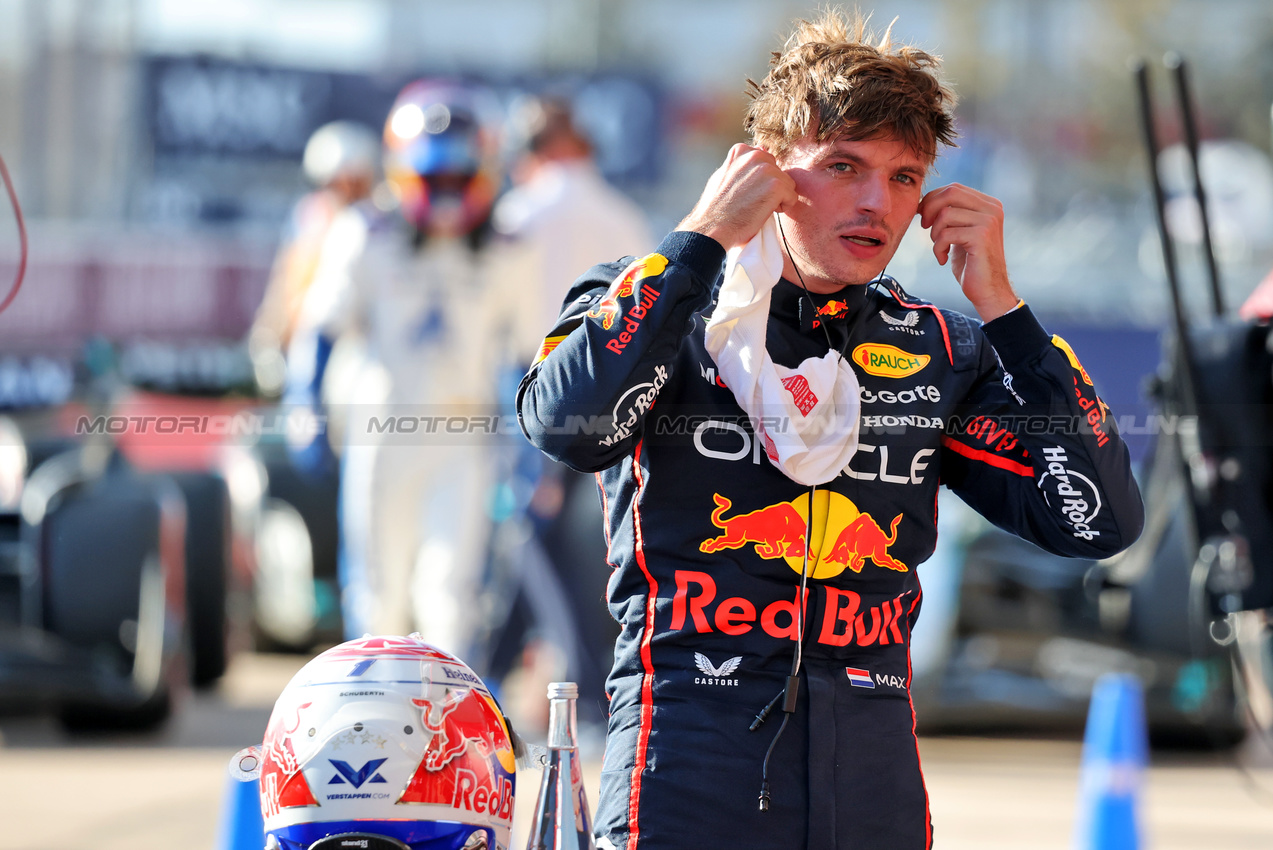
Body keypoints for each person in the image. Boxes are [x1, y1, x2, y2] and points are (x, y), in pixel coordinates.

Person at [516, 10, 1145, 850]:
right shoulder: (657, 301)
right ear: (765, 171)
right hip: (688, 746)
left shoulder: (941, 349)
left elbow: (1095, 521)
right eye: (843, 166)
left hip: (871, 760)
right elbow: (566, 425)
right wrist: (700, 241)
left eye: (902, 176)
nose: (873, 202)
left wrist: (1007, 314)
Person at [287, 79, 540, 654]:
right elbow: (318, 328)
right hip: (381, 434)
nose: (448, 193)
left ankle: (442, 728)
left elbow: (530, 356)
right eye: (435, 177)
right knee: (378, 593)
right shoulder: (364, 234)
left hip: (464, 439)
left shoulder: (511, 250)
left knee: (450, 594)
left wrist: (536, 451)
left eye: (460, 177)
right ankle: (367, 722)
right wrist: (304, 406)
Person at [489, 96, 655, 731]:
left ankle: (581, 686)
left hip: (540, 390)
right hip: (615, 396)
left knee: (533, 540)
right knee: (576, 546)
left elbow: (496, 321)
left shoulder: (520, 212)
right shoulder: (623, 214)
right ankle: (515, 676)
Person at [251, 121, 380, 392]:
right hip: (308, 349)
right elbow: (289, 283)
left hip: (359, 357)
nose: (342, 190)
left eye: (351, 182)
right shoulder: (310, 219)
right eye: (334, 182)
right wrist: (269, 336)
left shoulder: (380, 228)